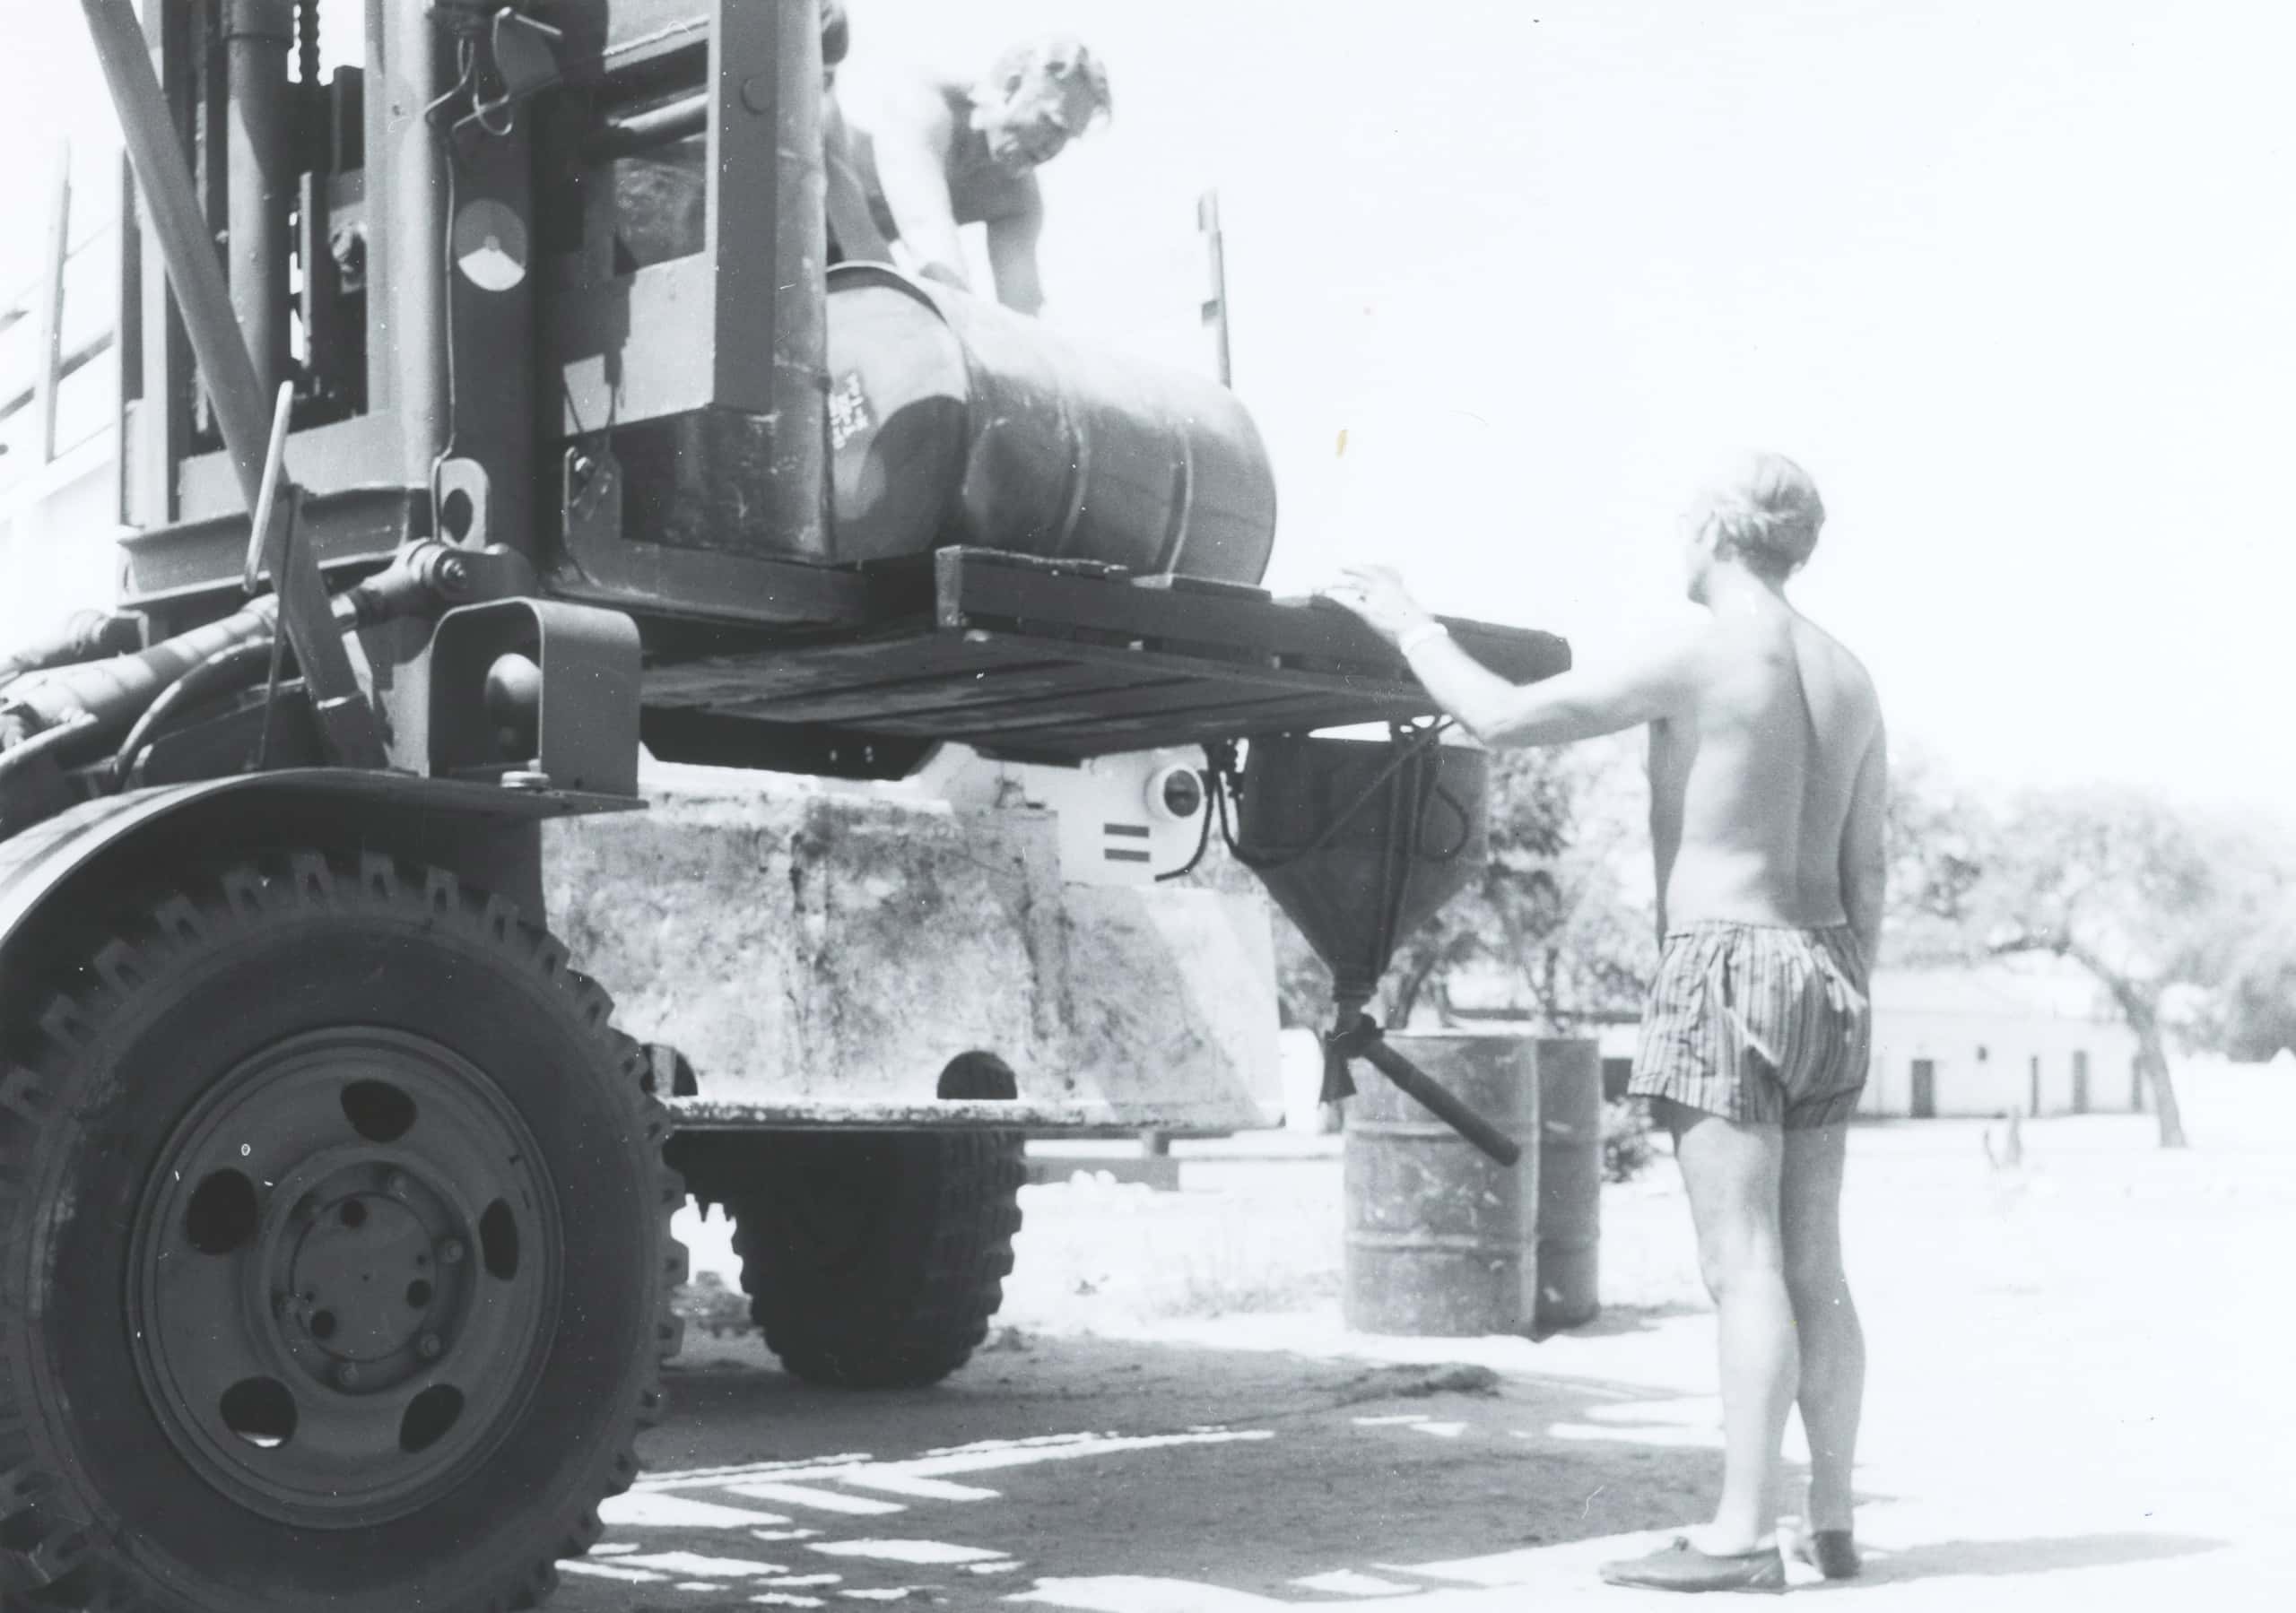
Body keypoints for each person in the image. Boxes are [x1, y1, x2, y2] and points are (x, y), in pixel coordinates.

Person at [1321, 453, 1883, 1594]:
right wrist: (1837, 982)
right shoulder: (1849, 673)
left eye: (1684, 523)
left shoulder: (1703, 650)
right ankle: (1829, 1525)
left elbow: (1506, 715)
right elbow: (1865, 864)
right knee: (1816, 1263)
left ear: (1718, 533)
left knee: (1746, 1266)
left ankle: (1737, 1536)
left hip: (1725, 958)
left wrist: (1408, 623)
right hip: (1831, 966)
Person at [824, 35, 1112, 314]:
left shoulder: (1018, 198)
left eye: (1067, 137)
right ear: (1013, 85)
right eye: (1051, 123)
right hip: (792, 205)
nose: (1054, 147)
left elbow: (1023, 309)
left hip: (838, 258)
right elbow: (927, 239)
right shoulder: (925, 106)